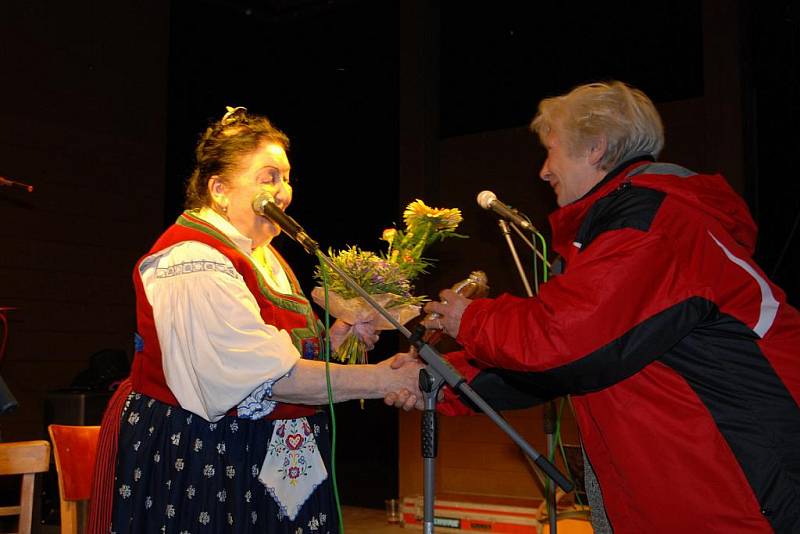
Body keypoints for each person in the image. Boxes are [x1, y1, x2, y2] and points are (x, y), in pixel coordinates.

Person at [387, 81, 800, 533]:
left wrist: (470, 318)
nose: (543, 171)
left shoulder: (657, 224)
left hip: (741, 494)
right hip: (690, 492)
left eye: (552, 151)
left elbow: (562, 339)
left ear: (596, 149)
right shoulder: (624, 231)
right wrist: (437, 380)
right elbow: (566, 364)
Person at [109, 106, 423, 533]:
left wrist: (336, 338)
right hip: (209, 458)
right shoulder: (191, 260)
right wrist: (383, 379)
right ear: (219, 189)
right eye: (269, 177)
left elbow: (276, 354)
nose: (285, 190)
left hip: (272, 456)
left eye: (287, 177)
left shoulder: (266, 255)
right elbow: (259, 379)